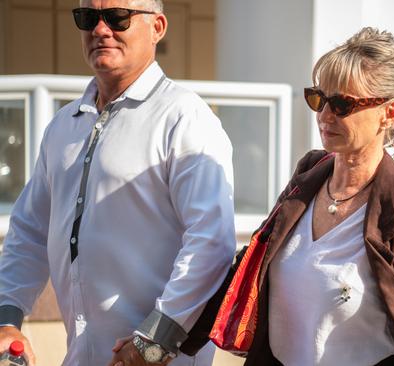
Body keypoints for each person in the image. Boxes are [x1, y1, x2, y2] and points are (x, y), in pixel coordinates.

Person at [0, 0, 236, 365]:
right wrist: (7, 318)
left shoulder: (184, 118)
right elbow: (30, 231)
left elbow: (211, 242)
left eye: (117, 17)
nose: (99, 29)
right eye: (87, 17)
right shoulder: (64, 125)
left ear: (157, 27)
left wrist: (154, 341)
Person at [241, 27, 394, 366]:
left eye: (342, 104)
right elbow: (245, 268)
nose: (324, 115)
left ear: (389, 113)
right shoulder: (309, 175)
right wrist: (158, 340)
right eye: (319, 98)